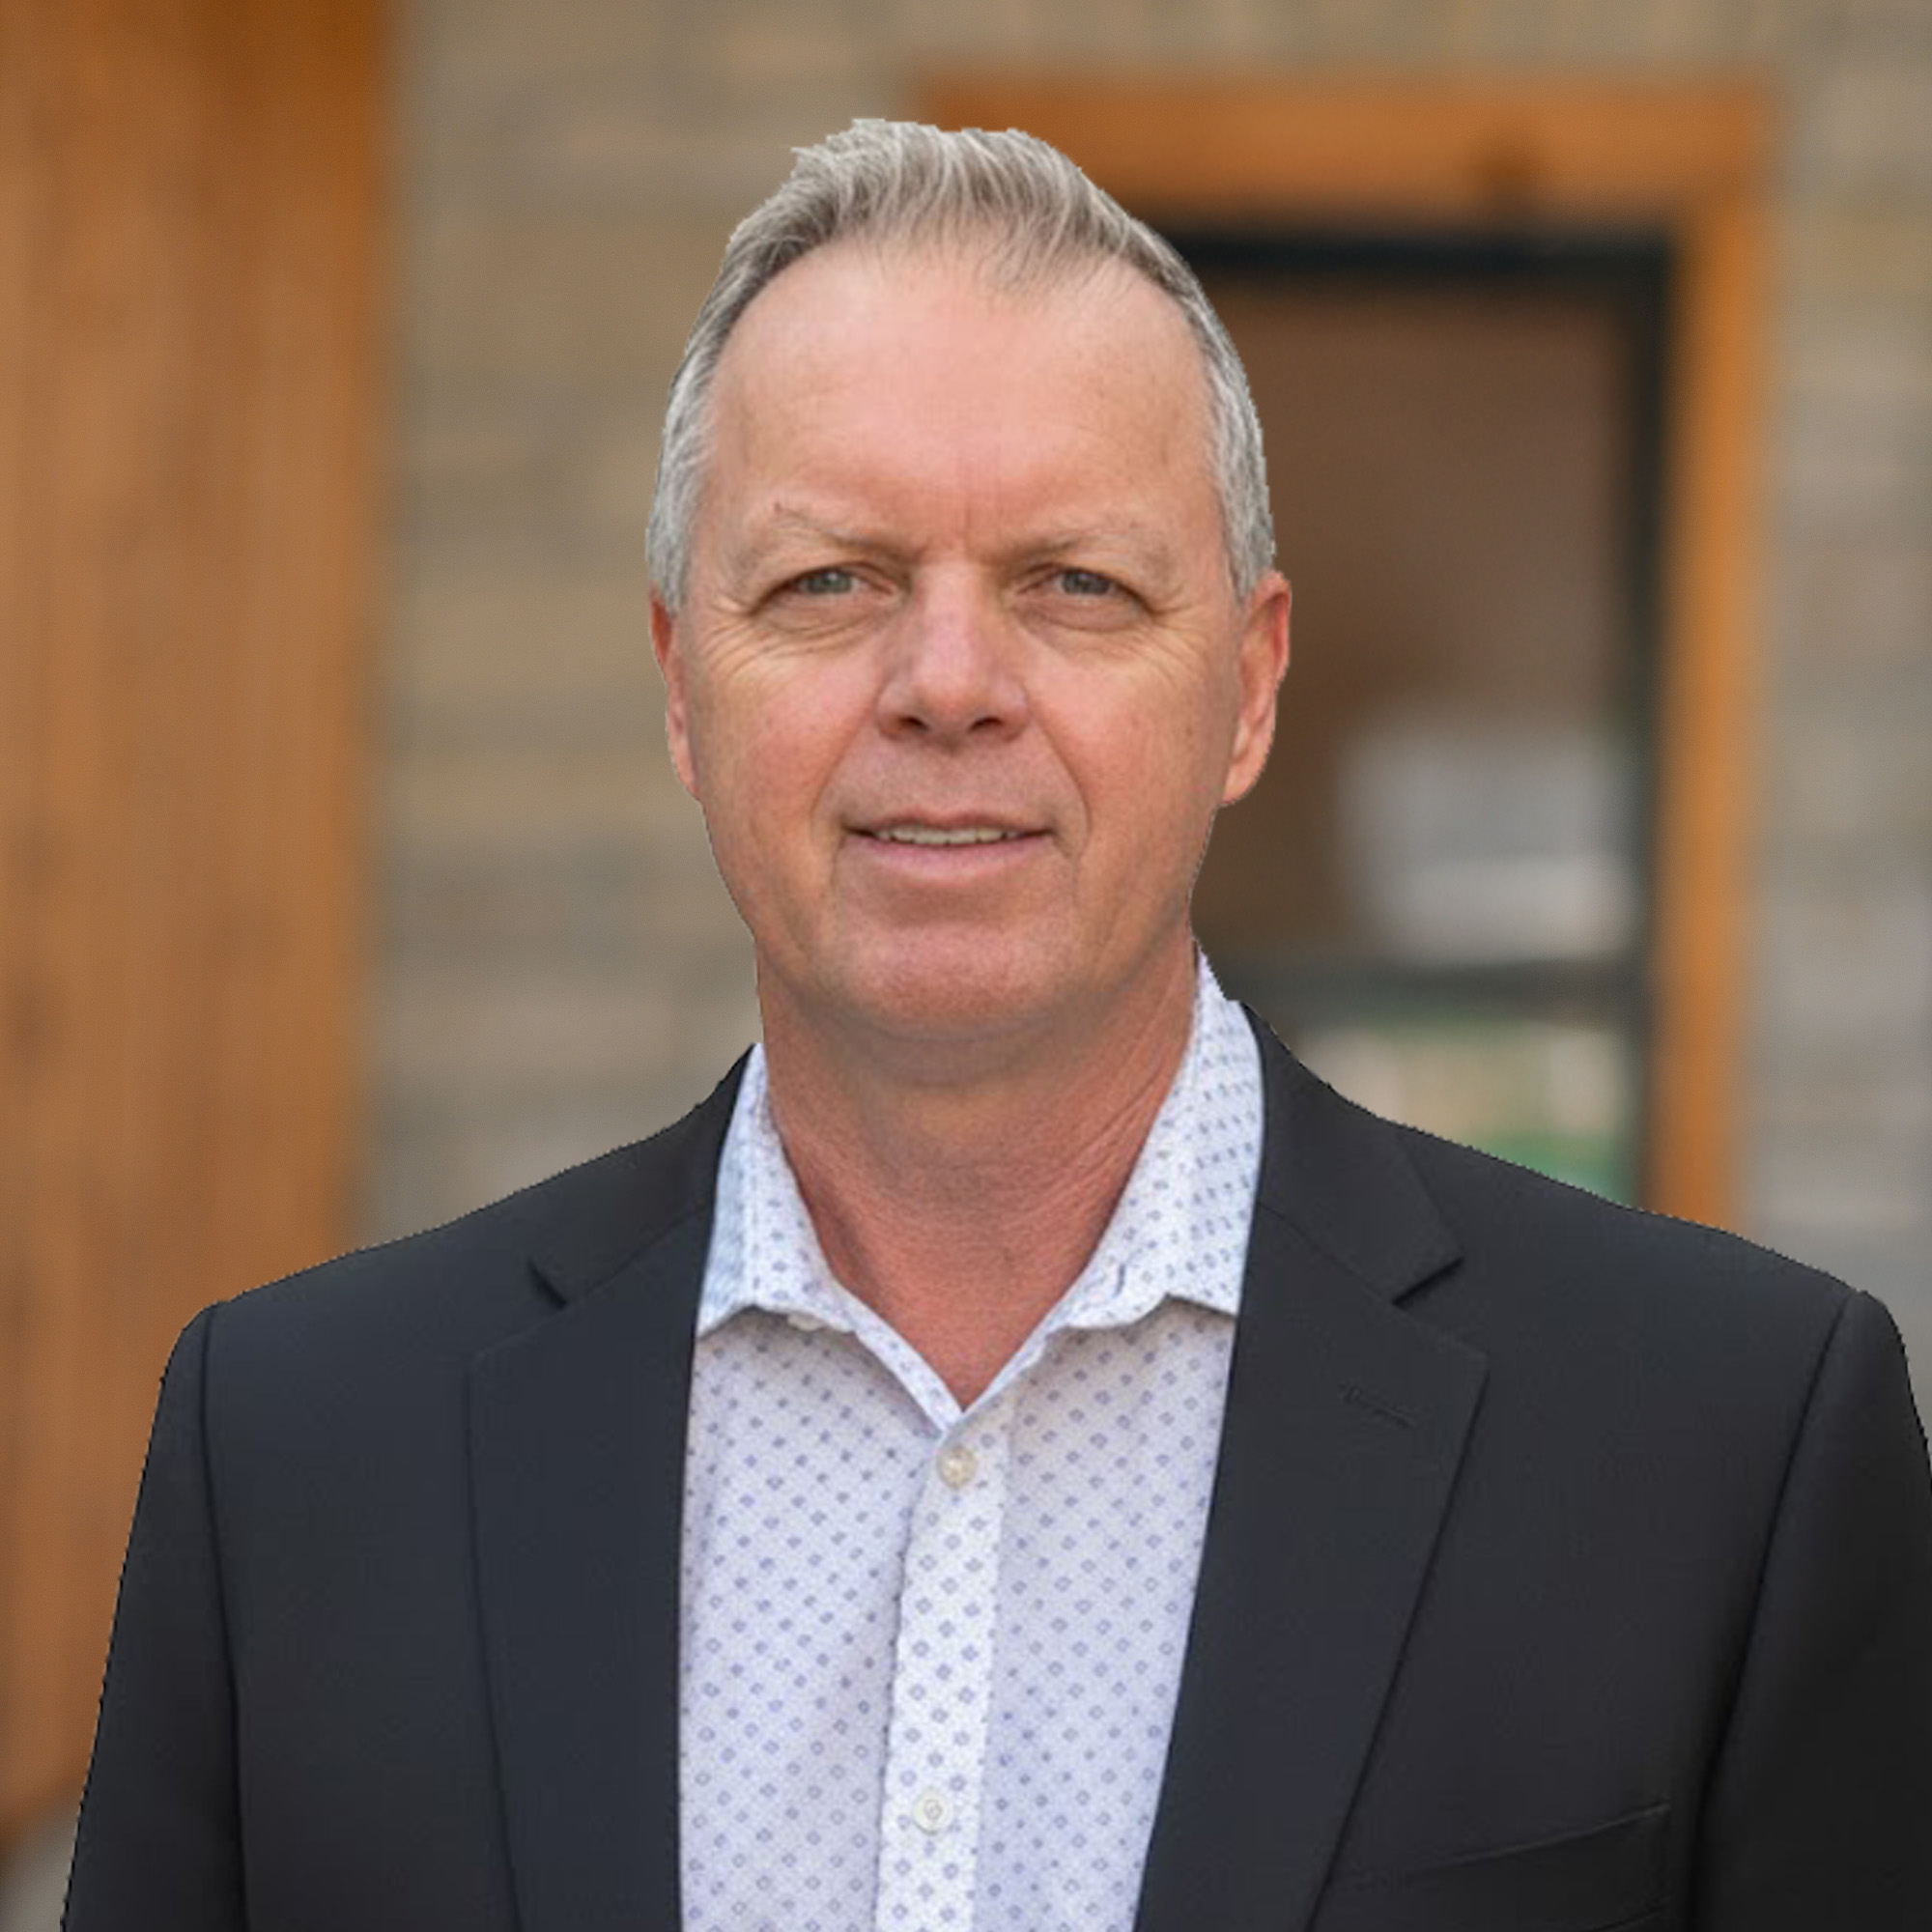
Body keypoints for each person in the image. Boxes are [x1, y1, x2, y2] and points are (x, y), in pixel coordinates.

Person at [65, 121, 1932, 1932]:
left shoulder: (1729, 1452)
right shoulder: (290, 1457)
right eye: (830, 581)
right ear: (683, 687)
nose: (947, 683)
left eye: (1075, 585)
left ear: (1250, 689)